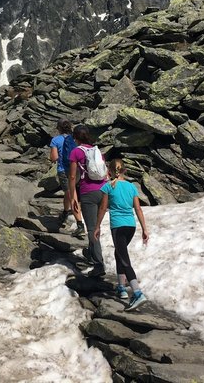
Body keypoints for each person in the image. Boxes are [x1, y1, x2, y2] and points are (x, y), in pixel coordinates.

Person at [94, 158, 150, 311]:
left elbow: (103, 209)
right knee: (119, 254)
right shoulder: (132, 187)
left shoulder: (108, 187)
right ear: (124, 170)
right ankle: (121, 287)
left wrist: (97, 226)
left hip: (117, 227)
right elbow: (138, 209)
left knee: (125, 260)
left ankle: (137, 293)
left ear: (110, 171)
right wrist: (144, 229)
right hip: (130, 226)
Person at [68, 125, 108, 276]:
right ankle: (91, 253)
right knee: (97, 226)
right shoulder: (97, 150)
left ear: (75, 137)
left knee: (92, 229)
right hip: (103, 191)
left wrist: (73, 197)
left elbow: (72, 177)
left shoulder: (76, 152)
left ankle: (99, 265)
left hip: (88, 193)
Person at [49, 119, 81, 235]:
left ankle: (80, 224)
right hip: (76, 170)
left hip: (64, 171)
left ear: (59, 128)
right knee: (68, 193)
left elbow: (54, 158)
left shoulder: (55, 140)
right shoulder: (74, 139)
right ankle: (65, 212)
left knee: (72, 195)